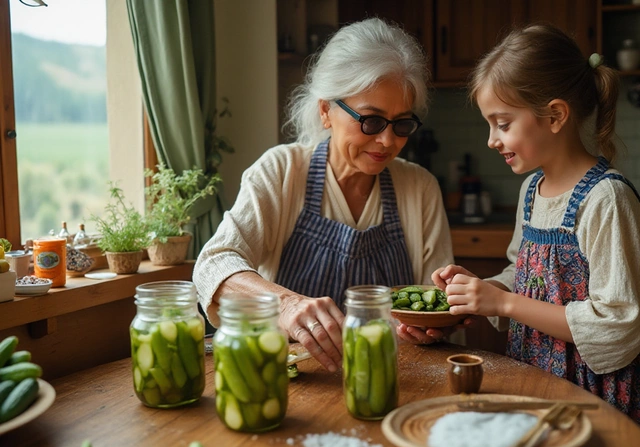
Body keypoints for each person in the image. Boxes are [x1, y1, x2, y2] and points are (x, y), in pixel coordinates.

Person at [193, 17, 455, 373]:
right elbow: (213, 264)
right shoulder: (281, 172)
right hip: (295, 381)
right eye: (371, 121)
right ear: (325, 111)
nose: (388, 141)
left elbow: (434, 303)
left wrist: (436, 325)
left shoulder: (419, 187)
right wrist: (285, 304)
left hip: (391, 375)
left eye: (403, 124)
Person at [430, 24, 640, 422]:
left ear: (556, 115)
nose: (492, 139)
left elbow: (618, 325)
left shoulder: (606, 200)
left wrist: (504, 303)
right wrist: (485, 289)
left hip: (591, 399)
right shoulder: (531, 190)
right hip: (533, 380)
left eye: (503, 124)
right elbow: (525, 276)